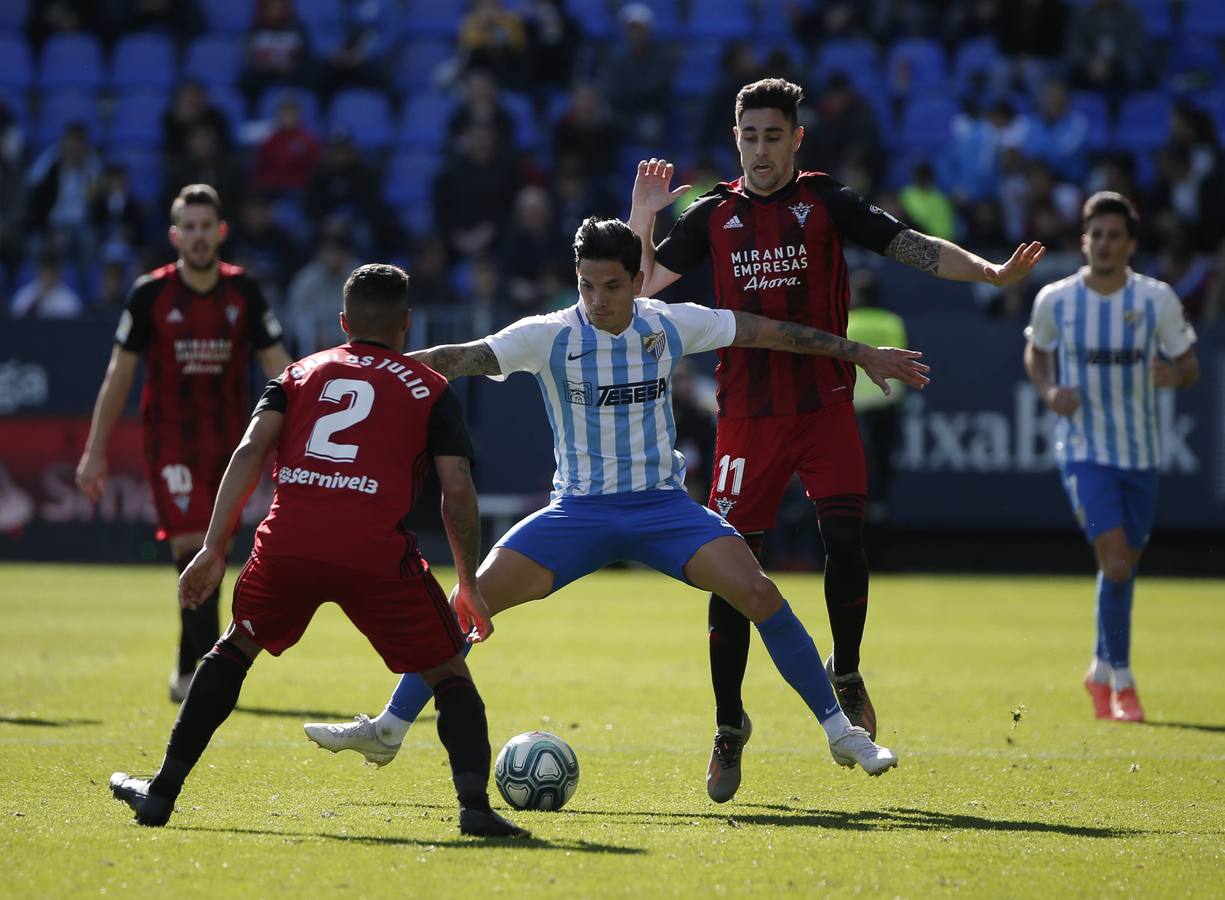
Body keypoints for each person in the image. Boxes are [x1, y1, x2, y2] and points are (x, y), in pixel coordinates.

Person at [302, 217, 930, 788]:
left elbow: (770, 332)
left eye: (611, 286)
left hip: (663, 509)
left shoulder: (669, 324)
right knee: (467, 603)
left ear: (637, 282)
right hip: (576, 515)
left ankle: (842, 734)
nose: (597, 300)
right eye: (586, 286)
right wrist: (358, 372)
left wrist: (861, 352)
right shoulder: (547, 334)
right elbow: (453, 360)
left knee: (760, 594)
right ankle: (388, 729)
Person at [626, 78, 1045, 803]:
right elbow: (634, 289)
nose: (759, 149)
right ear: (737, 140)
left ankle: (844, 670)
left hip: (823, 404)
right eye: (748, 136)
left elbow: (906, 244)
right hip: (746, 418)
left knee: (845, 539)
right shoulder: (710, 214)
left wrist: (986, 271)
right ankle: (728, 726)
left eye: (772, 135)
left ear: (795, 139)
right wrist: (642, 214)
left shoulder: (824, 201)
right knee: (733, 573)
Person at [107, 263, 527, 837]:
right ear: (406, 324)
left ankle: (161, 794)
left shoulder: (299, 373)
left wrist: (211, 547)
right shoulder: (431, 389)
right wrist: (470, 583)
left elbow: (251, 450)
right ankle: (475, 810)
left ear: (343, 321)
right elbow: (457, 491)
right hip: (374, 552)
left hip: (290, 544)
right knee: (448, 670)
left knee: (234, 649)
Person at [76, 184, 292, 703]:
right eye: (188, 228)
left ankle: (186, 670)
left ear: (220, 232)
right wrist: (94, 450)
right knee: (191, 546)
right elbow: (118, 376)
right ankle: (216, 679)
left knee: (213, 551)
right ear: (176, 235)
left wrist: (298, 432)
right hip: (169, 442)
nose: (197, 237)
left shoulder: (246, 293)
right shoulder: (150, 294)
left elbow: (281, 370)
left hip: (229, 446)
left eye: (205, 227)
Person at [1024, 192, 1199, 723]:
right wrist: (1050, 391)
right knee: (1117, 559)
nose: (1103, 244)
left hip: (1142, 452)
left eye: (1113, 236)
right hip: (1082, 450)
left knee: (1120, 566)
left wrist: (1174, 374)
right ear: (1084, 241)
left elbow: (1188, 363)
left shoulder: (1157, 300)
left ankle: (1098, 670)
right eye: (1095, 234)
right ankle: (1122, 682)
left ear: (1130, 245)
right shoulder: (1057, 299)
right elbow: (1037, 350)